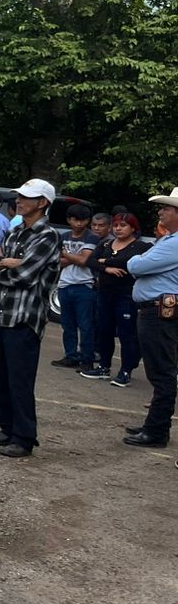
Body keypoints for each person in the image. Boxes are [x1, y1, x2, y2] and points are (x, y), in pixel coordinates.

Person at [0, 178, 62, 458]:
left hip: (25, 316)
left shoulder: (48, 236)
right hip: (4, 313)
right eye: (20, 196)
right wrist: (3, 263)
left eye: (27, 197)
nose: (20, 200)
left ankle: (24, 437)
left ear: (43, 203)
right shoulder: (15, 232)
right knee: (0, 378)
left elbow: (24, 275)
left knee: (20, 380)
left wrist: (2, 264)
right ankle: (7, 429)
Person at [124, 190, 178, 450]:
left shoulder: (174, 243)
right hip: (158, 310)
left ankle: (156, 430)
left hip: (159, 312)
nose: (161, 212)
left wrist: (138, 259)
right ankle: (155, 425)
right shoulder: (169, 241)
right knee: (160, 370)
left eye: (166, 208)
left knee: (162, 372)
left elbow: (136, 266)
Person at [82, 212, 151, 385]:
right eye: (116, 225)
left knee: (127, 334)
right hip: (104, 293)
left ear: (133, 228)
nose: (118, 229)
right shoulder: (106, 243)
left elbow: (129, 262)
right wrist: (106, 268)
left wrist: (105, 261)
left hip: (126, 295)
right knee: (104, 331)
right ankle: (104, 366)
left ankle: (126, 370)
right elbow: (90, 261)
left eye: (123, 225)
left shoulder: (141, 246)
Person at [52, 203, 98, 369]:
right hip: (65, 284)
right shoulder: (63, 236)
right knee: (67, 324)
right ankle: (70, 355)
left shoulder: (91, 237)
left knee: (85, 325)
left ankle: (87, 358)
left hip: (84, 285)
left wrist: (66, 254)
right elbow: (56, 262)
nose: (79, 223)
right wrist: (75, 257)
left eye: (83, 220)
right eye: (75, 219)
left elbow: (84, 260)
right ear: (69, 220)